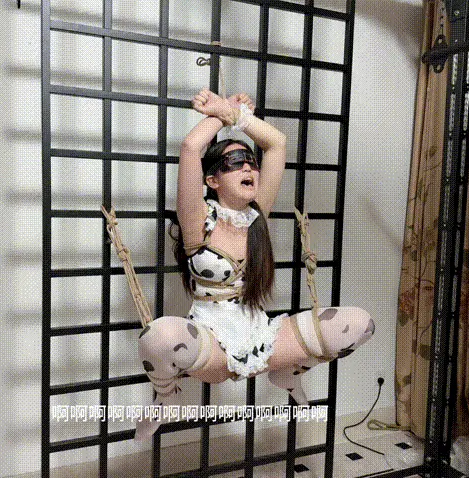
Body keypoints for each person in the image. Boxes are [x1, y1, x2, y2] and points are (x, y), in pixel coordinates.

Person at [135, 88, 375, 442]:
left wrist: (238, 116)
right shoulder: (197, 219)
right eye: (234, 163)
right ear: (212, 180)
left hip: (262, 334)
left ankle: (287, 373)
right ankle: (166, 397)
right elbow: (191, 147)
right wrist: (224, 111)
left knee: (359, 323)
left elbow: (276, 144)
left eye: (250, 161)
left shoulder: (256, 215)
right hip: (212, 342)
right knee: (158, 335)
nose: (247, 166)